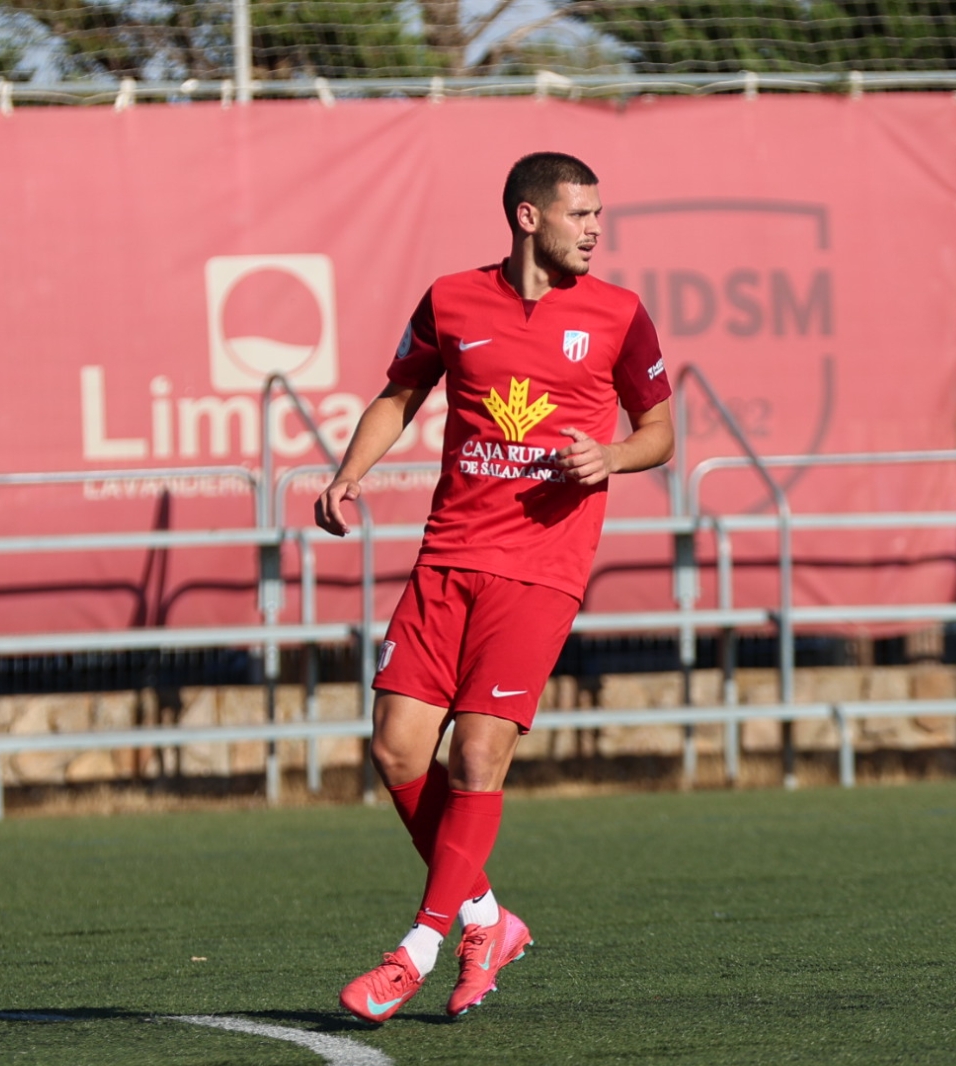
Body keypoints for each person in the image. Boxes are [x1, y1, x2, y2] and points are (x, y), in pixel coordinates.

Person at [315, 151, 673, 1023]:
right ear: (527, 216)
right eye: (579, 214)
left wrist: (611, 457)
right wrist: (349, 474)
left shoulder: (621, 313)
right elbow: (400, 394)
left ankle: (417, 950)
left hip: (541, 571)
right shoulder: (451, 299)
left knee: (476, 756)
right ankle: (487, 918)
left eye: (598, 214)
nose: (595, 229)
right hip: (447, 557)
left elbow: (660, 430)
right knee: (397, 751)